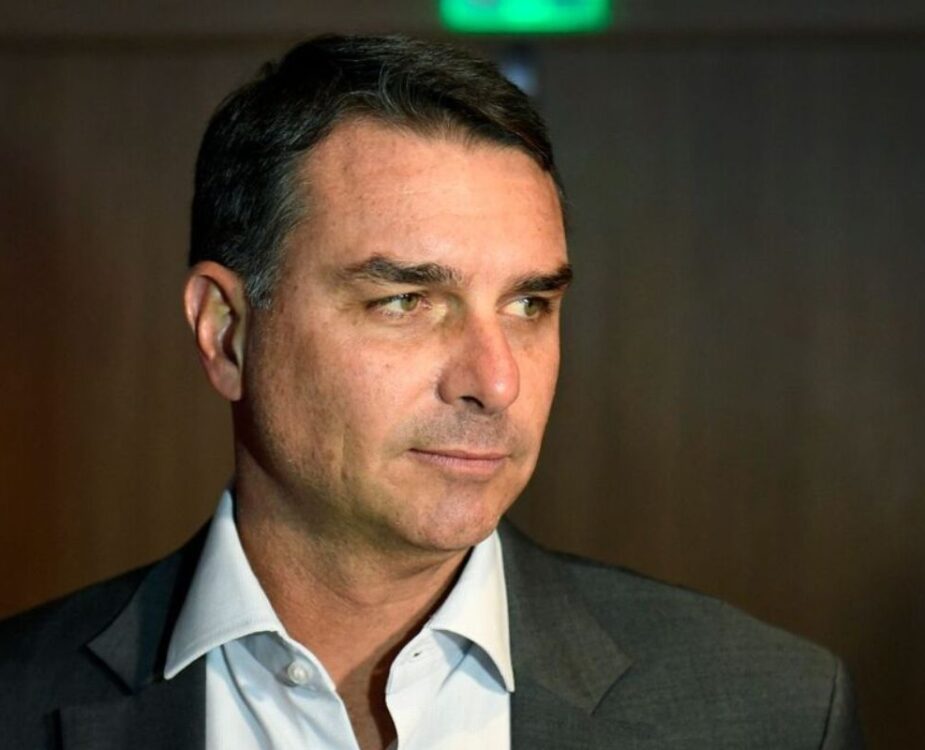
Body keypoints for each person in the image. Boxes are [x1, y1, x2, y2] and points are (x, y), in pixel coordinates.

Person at [0, 34, 863, 749]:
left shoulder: (773, 713)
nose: (497, 380)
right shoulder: (17, 702)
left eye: (529, 305)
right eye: (407, 301)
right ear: (227, 332)